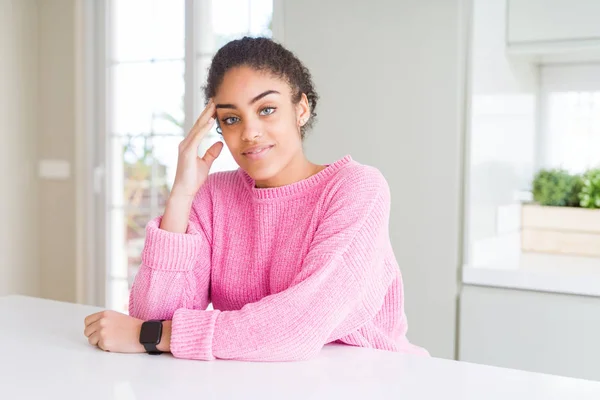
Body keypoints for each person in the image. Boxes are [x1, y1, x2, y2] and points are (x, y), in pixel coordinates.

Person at [83, 37, 428, 361]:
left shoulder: (355, 189)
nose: (249, 132)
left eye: (266, 109)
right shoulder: (213, 196)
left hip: (373, 378)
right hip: (256, 378)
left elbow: (299, 325)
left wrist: (159, 336)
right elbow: (151, 317)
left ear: (301, 108)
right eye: (231, 119)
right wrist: (181, 196)